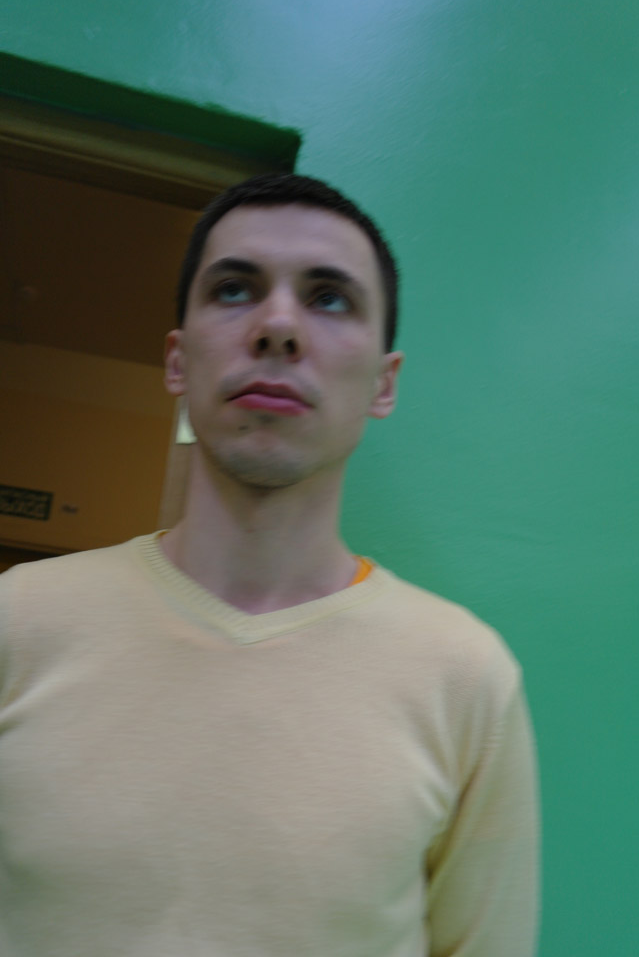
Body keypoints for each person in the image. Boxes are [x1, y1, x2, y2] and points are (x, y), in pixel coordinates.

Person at [0, 174, 539, 956]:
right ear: (177, 361)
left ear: (383, 383)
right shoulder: (18, 619)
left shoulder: (467, 679)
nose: (278, 326)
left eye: (329, 299)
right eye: (234, 289)